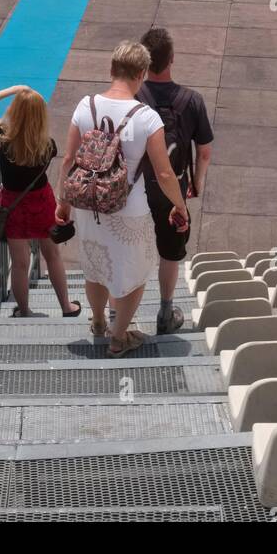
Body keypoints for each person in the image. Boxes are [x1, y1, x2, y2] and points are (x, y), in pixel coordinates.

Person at [54, 41, 188, 357]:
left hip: (89, 206)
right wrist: (179, 206)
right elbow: (165, 174)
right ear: (141, 74)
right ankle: (118, 339)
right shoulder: (147, 117)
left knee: (95, 268)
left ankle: (99, 321)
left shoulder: (85, 106)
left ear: (111, 69)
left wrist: (64, 202)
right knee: (135, 274)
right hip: (130, 210)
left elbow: (68, 160)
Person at [0, 84, 81, 318]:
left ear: (15, 112)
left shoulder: (3, 139)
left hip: (13, 205)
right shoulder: (48, 146)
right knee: (52, 255)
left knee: (20, 264)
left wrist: (14, 89)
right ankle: (66, 306)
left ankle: (23, 310)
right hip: (42, 201)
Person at [137, 27, 214, 334]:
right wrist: (196, 183)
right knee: (170, 253)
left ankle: (116, 316)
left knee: (131, 248)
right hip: (173, 191)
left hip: (135, 188)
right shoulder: (192, 101)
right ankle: (166, 312)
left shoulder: (133, 97)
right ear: (172, 59)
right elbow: (204, 152)